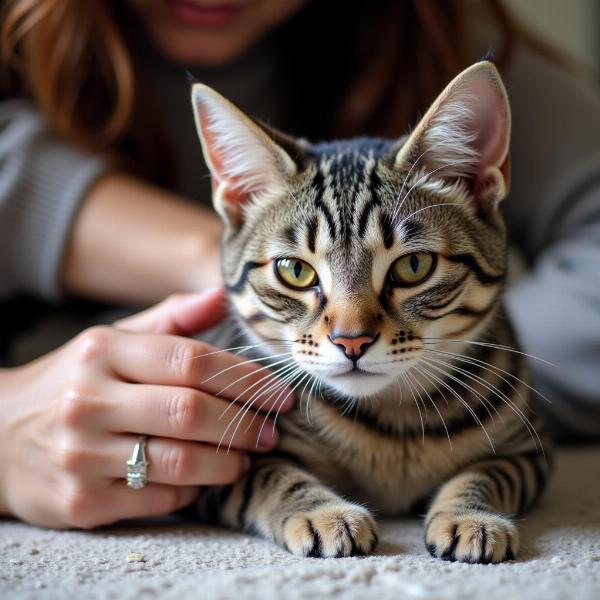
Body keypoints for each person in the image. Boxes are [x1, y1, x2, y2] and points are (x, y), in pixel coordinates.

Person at [0, 0, 599, 529]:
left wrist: (482, 362)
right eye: (296, 274)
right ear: (234, 197)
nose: (350, 333)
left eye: (411, 269)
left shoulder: (433, 28)